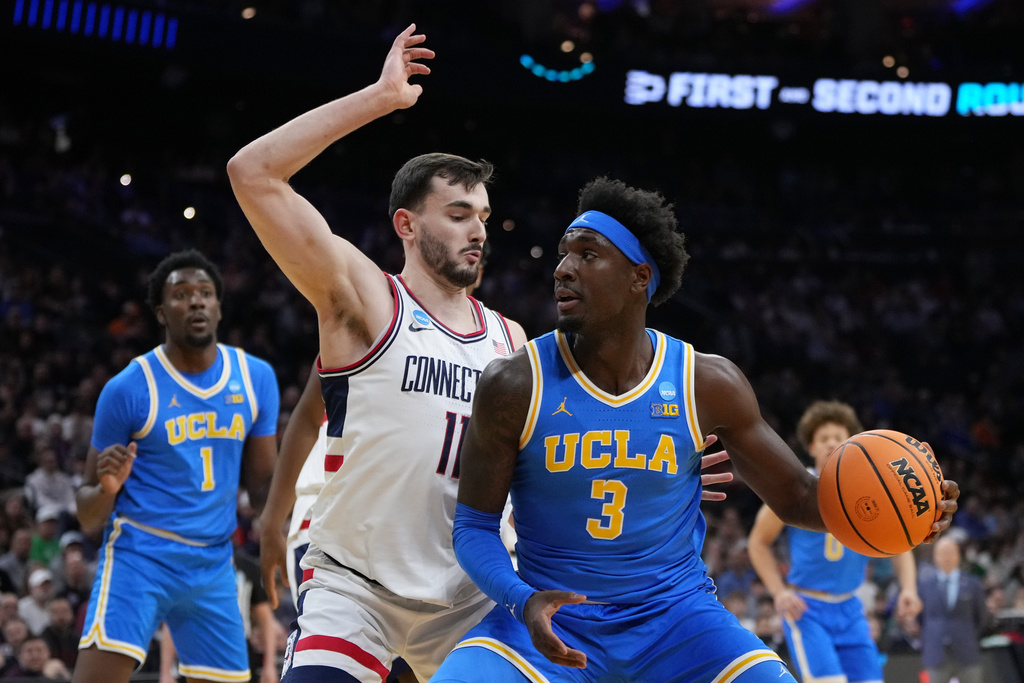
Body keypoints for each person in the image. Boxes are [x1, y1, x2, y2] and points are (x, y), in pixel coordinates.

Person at [229, 25, 733, 683]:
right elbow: (253, 173)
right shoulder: (367, 301)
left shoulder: (512, 343)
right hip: (360, 590)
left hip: (470, 597)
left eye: (484, 216)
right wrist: (380, 99)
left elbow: (585, 447)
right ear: (407, 225)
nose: (478, 230)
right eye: (459, 213)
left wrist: (671, 464)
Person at [429, 177, 961, 683]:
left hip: (677, 621)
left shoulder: (706, 383)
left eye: (587, 255)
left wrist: (909, 514)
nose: (563, 269)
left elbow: (799, 497)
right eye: (565, 253)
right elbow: (474, 527)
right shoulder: (514, 383)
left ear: (640, 276)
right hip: (546, 620)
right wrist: (522, 599)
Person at [71, 249, 280, 683]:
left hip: (213, 564)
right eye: (182, 294)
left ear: (220, 307)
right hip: (141, 555)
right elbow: (87, 514)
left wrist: (294, 517)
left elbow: (263, 488)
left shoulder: (256, 377)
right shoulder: (128, 388)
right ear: (161, 312)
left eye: (206, 293)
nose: (197, 301)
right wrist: (108, 489)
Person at [746, 399, 923, 683]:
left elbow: (899, 543)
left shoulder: (874, 488)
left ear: (852, 443)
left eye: (838, 438)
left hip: (851, 608)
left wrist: (909, 589)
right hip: (807, 607)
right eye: (823, 438)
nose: (830, 443)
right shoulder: (796, 490)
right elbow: (757, 542)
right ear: (811, 447)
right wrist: (779, 593)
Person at [917, 536, 989, 683]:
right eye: (942, 553)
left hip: (967, 652)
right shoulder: (924, 585)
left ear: (958, 556)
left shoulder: (972, 583)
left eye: (950, 552)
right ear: (935, 557)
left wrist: (967, 635)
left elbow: (982, 617)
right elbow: (920, 618)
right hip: (936, 653)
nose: (947, 557)